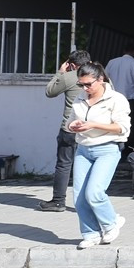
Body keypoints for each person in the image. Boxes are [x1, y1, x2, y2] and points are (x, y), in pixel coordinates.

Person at [65, 63, 131, 249]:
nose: (85, 88)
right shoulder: (79, 98)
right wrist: (74, 126)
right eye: (81, 84)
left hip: (107, 149)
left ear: (100, 79)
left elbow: (122, 127)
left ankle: (111, 223)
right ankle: (90, 234)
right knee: (78, 197)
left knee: (94, 192)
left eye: (88, 84)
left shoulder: (116, 99)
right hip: (83, 150)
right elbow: (69, 124)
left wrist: (93, 124)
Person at [39, 49, 92, 212]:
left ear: (73, 65)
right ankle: (88, 202)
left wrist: (60, 73)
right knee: (89, 165)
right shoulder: (100, 77)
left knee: (64, 164)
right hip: (92, 128)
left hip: (70, 128)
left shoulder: (70, 76)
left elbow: (50, 92)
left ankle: (58, 201)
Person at [106, 42, 134, 147]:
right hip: (130, 99)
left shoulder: (111, 62)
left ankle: (113, 144)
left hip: (112, 98)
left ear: (124, 51)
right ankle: (127, 147)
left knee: (112, 121)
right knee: (129, 124)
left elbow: (104, 80)